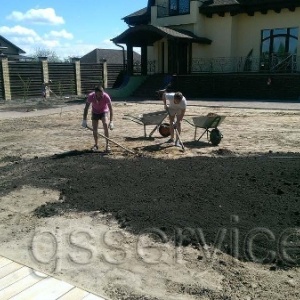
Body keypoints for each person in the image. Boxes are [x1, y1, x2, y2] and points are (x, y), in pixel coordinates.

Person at [82, 85, 114, 152]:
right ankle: (96, 145)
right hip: (95, 112)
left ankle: (107, 145)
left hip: (103, 111)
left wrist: (111, 121)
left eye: (102, 93)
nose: (101, 95)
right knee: (94, 128)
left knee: (105, 124)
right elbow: (86, 108)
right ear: (95, 93)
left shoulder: (106, 96)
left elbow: (111, 109)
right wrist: (84, 120)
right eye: (99, 94)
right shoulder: (91, 96)